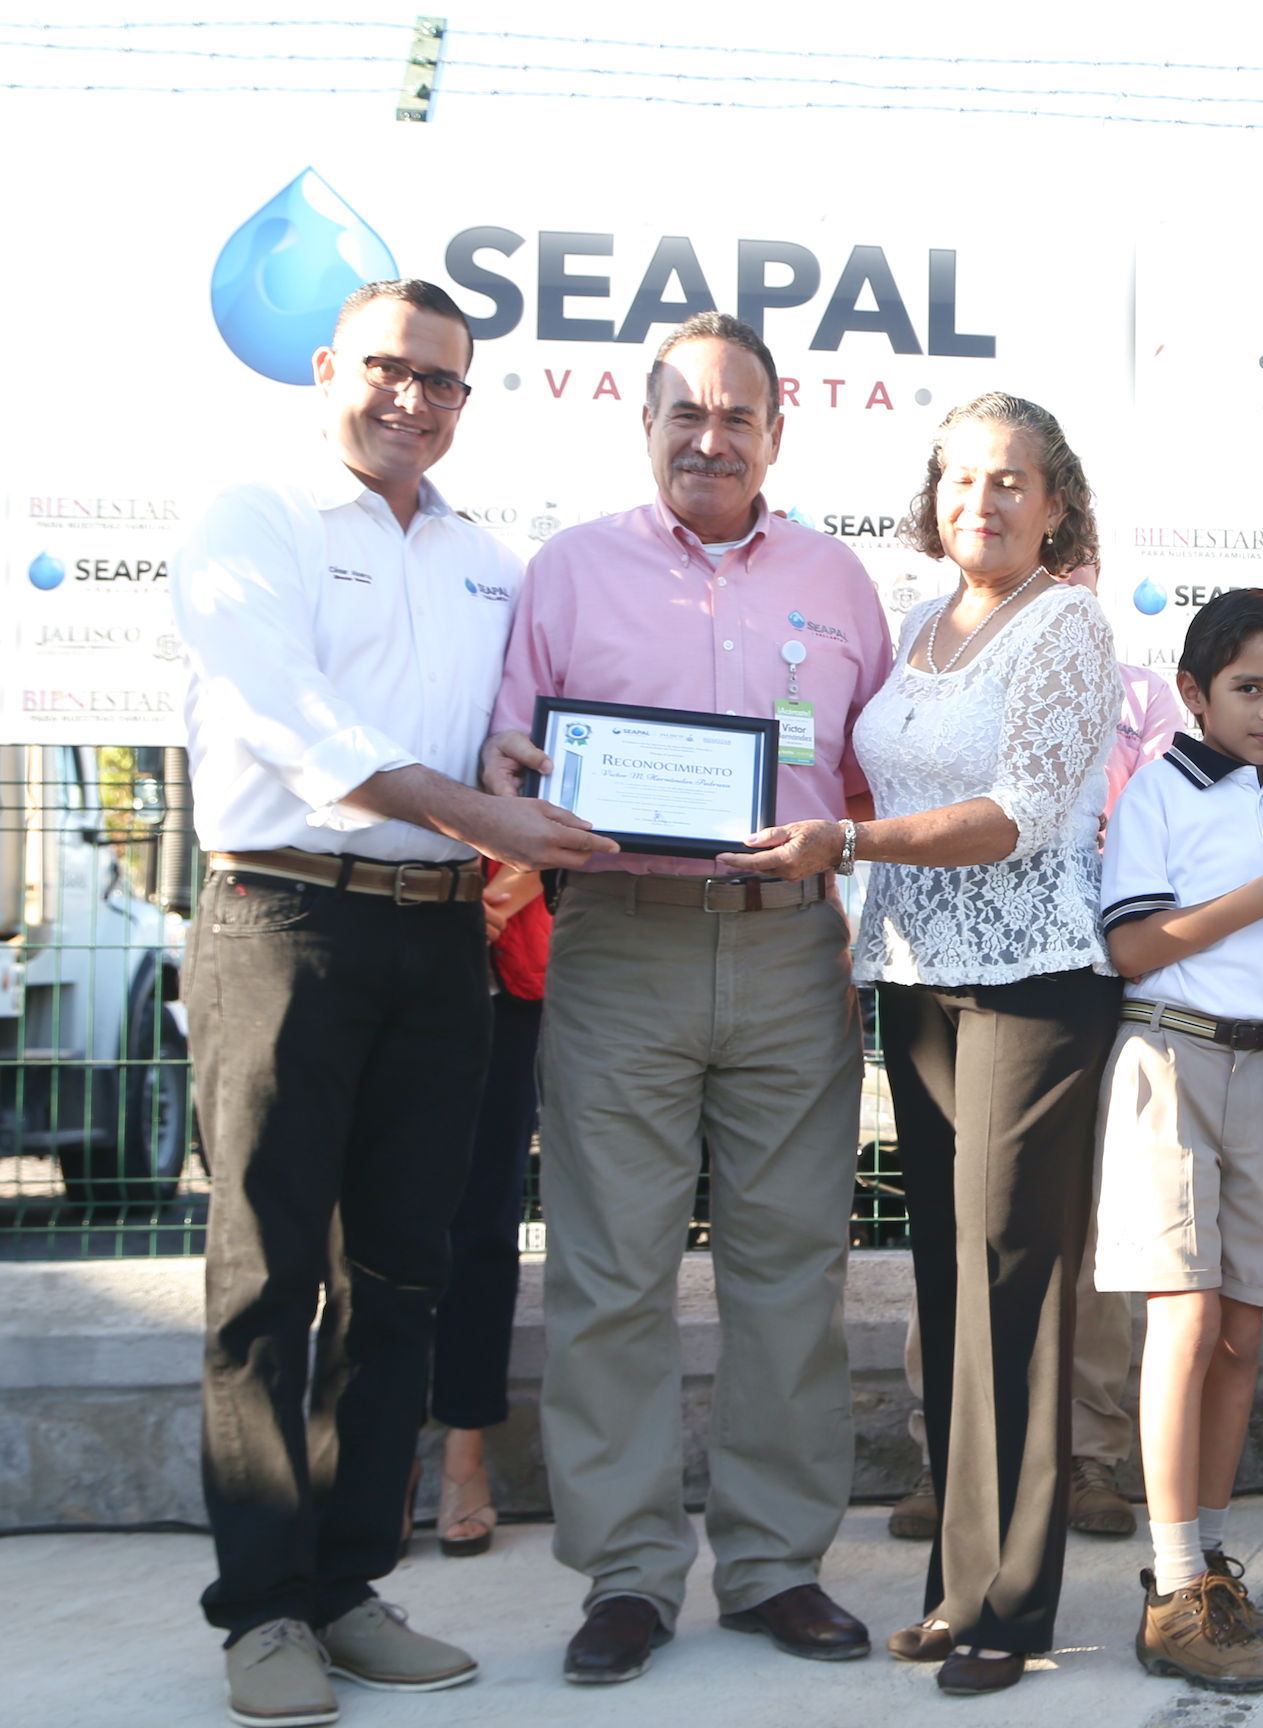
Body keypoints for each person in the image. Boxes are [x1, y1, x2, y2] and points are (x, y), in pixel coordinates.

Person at [174, 278, 617, 1728]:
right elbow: (301, 733)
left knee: (397, 1285)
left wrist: (513, 784)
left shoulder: (488, 562)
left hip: (439, 946)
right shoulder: (256, 519)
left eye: (442, 380)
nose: (413, 398)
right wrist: (490, 821)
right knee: (264, 1283)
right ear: (326, 371)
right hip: (282, 922)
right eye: (388, 368)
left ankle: (348, 1585)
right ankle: (260, 1611)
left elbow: (490, 743)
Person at [483, 310, 893, 1686]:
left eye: (737, 414)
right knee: (609, 1273)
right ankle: (628, 1575)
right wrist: (514, 780)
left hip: (786, 949)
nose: (709, 436)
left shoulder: (838, 583)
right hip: (618, 943)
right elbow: (506, 757)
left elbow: (866, 777)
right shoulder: (567, 571)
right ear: (646, 420)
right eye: (684, 412)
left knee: (792, 1272)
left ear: (778, 429)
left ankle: (776, 1565)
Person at [786, 392, 1120, 1697]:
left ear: (1054, 503)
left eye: (1011, 481)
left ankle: (1012, 1607)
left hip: (1031, 985)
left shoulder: (1069, 624)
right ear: (933, 499)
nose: (981, 500)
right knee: (945, 1281)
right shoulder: (920, 625)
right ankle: (954, 1586)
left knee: (1013, 1286)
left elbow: (1027, 814)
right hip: (919, 983)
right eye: (961, 479)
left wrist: (853, 847)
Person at [887, 590, 1175, 1548]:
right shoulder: (924, 646)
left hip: (1075, 963)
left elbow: (1133, 822)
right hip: (935, 966)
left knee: (1065, 1226)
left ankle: (1086, 1450)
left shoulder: (1143, 694)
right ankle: (952, 1454)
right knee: (968, 1222)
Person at [1094, 589, 1263, 1693]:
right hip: (1171, 1055)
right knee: (1184, 1317)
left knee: (1241, 1328)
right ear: (1192, 692)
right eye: (1248, 688)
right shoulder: (1160, 788)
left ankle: (1210, 1565)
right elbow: (1136, 948)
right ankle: (1172, 1579)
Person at [422, 860, 551, 1559]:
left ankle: (461, 1458)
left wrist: (496, 899)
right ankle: (382, 1458)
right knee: (376, 1233)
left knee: (482, 1226)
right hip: (395, 941)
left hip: (506, 976)